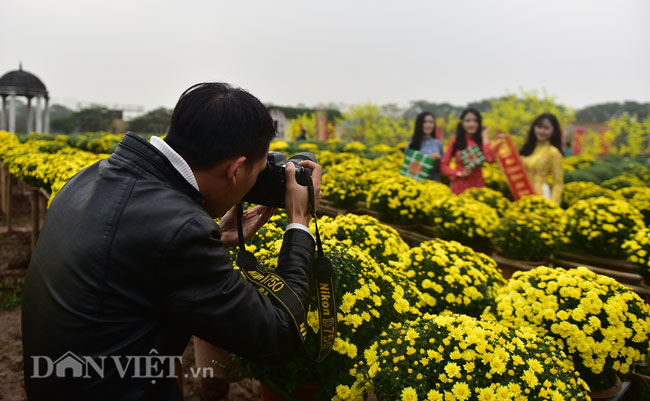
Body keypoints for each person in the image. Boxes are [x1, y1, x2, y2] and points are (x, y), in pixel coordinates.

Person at [21, 82, 322, 401]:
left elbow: (136, 264)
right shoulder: (178, 232)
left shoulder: (90, 177)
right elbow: (277, 337)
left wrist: (215, 236)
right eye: (258, 172)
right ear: (234, 170)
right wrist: (298, 221)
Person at [440, 108, 493, 194]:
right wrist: (459, 173)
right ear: (462, 123)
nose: (471, 124)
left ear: (479, 123)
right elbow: (443, 165)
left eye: (475, 121)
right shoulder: (455, 142)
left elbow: (489, 159)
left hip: (478, 188)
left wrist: (485, 135)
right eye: (468, 121)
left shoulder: (482, 142)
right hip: (459, 187)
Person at [519, 113, 564, 203]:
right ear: (534, 128)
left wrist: (553, 205)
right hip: (521, 192)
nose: (541, 131)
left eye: (546, 128)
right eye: (539, 127)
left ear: (553, 131)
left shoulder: (553, 152)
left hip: (540, 195)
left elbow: (558, 183)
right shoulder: (527, 149)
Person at [406, 111, 444, 181]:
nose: (428, 125)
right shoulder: (411, 145)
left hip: (435, 184)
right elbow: (408, 170)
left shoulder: (438, 144)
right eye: (425, 122)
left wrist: (440, 160)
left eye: (431, 122)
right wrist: (428, 159)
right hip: (416, 185)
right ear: (419, 124)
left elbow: (443, 167)